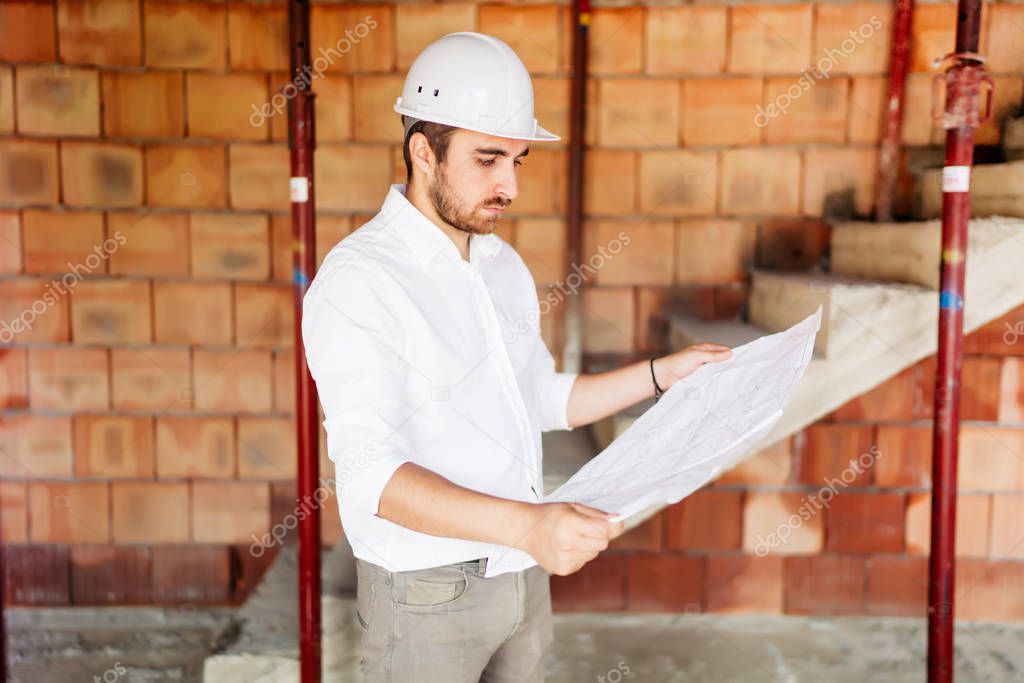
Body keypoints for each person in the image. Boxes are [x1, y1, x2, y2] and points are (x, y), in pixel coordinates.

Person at [300, 31, 732, 683]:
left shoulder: (501, 266)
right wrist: (531, 526)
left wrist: (658, 375)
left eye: (519, 161)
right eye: (488, 158)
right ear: (424, 151)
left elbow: (541, 398)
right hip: (425, 596)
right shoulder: (360, 280)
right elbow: (371, 477)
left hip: (521, 581)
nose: (509, 185)